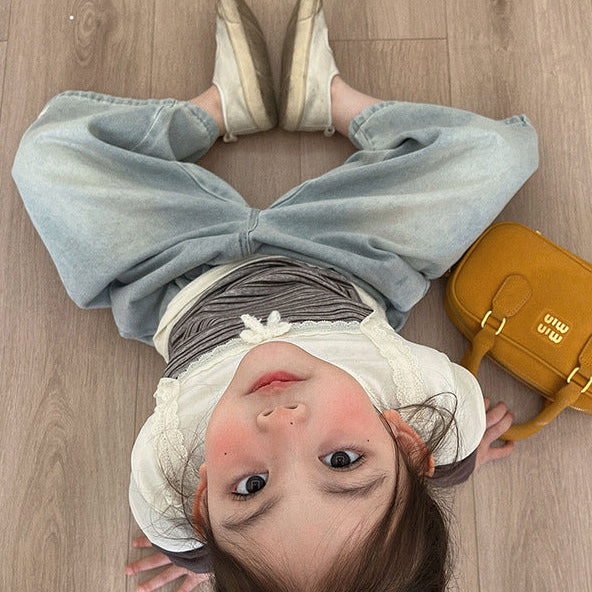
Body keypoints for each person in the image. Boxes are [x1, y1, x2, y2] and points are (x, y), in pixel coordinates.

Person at [12, 0, 538, 590]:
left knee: (44, 159)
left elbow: (180, 539)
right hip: (347, 254)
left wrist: (202, 560)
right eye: (342, 461)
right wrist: (459, 461)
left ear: (203, 503)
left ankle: (219, 109)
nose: (283, 423)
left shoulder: (165, 488)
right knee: (500, 153)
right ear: (406, 443)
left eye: (252, 487)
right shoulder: (434, 404)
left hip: (180, 274)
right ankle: (329, 100)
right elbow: (451, 451)